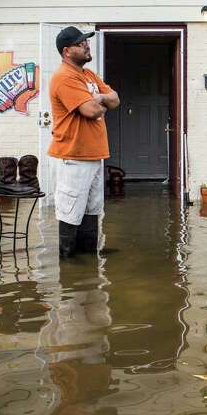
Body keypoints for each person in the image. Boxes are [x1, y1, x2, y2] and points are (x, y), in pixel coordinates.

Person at [49, 26, 119, 257]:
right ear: (67, 51)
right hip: (73, 156)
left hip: (94, 154)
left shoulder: (88, 75)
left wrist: (100, 98)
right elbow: (91, 111)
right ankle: (69, 269)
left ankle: (87, 266)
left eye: (86, 42)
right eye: (81, 44)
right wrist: (100, 103)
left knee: (92, 210)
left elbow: (115, 99)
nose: (86, 45)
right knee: (70, 212)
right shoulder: (64, 77)